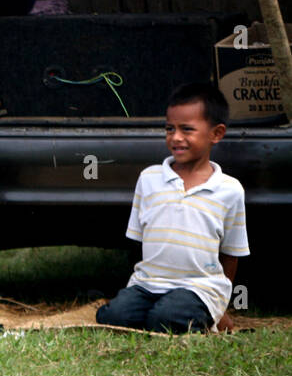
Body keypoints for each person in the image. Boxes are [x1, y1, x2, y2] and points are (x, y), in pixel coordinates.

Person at [96, 83, 248, 334]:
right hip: (148, 285)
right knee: (114, 316)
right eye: (169, 129)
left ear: (216, 133)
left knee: (165, 319)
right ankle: (159, 309)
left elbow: (232, 253)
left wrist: (219, 306)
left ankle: (202, 315)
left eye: (187, 129)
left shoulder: (229, 190)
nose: (176, 137)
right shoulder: (149, 179)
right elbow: (138, 241)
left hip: (199, 288)